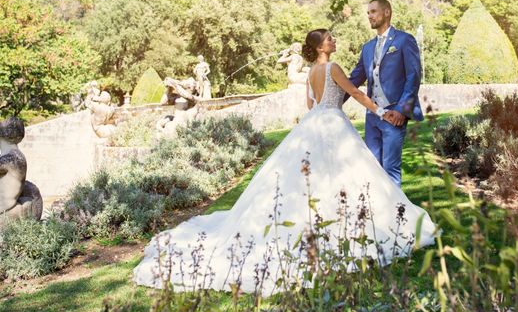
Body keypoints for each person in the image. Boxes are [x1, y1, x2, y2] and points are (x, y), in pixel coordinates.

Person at [133, 29, 436, 294]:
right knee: (347, 173)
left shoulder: (309, 74)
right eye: (329, 38)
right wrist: (381, 111)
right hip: (333, 123)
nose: (333, 40)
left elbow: (309, 104)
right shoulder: (333, 67)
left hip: (314, 122)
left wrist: (327, 103)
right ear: (320, 47)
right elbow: (355, 92)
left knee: (314, 178)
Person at [348, 0, 424, 186]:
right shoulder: (367, 48)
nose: (369, 16)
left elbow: (413, 77)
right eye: (368, 13)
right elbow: (355, 78)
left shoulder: (404, 40)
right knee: (372, 168)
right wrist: (331, 101)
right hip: (372, 115)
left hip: (393, 114)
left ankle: (398, 214)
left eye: (373, 12)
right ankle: (378, 212)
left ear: (387, 12)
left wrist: (401, 110)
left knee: (390, 168)